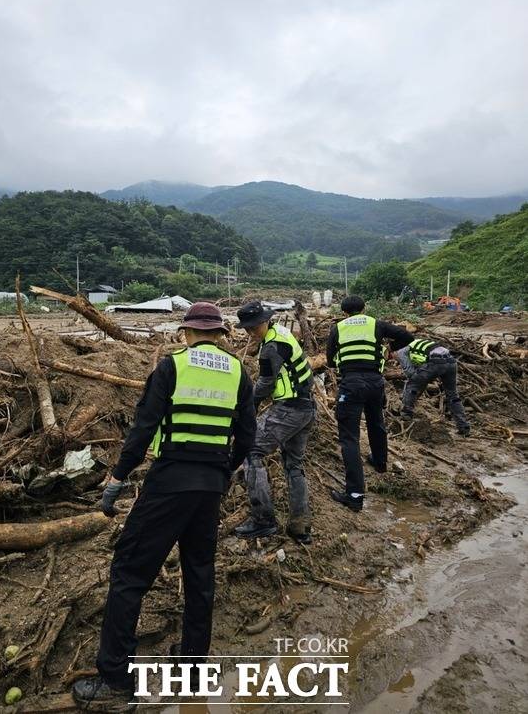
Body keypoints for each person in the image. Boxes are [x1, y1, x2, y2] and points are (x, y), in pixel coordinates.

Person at [73, 303, 256, 707]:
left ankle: (117, 681)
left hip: (170, 483)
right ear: (221, 334)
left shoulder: (173, 367)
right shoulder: (238, 373)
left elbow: (143, 429)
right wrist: (224, 473)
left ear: (187, 332)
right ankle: (193, 671)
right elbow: (246, 436)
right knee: (200, 575)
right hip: (210, 488)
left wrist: (118, 478)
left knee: (128, 572)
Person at [234, 300, 315, 544]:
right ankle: (299, 527)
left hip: (290, 410)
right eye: (247, 329)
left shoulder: (271, 347)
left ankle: (263, 520)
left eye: (253, 327)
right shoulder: (282, 332)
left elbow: (266, 384)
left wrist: (250, 407)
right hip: (306, 407)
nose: (250, 332)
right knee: (294, 465)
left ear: (264, 321)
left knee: (251, 451)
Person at [326, 295, 414, 512]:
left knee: (349, 437)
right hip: (375, 382)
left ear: (344, 312)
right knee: (376, 422)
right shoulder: (376, 324)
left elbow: (329, 360)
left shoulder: (338, 328)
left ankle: (355, 495)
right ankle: (380, 463)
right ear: (364, 309)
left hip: (351, 383)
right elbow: (407, 336)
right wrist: (389, 350)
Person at [394, 338, 471, 436]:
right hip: (451, 361)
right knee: (453, 395)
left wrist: (410, 396)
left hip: (435, 362)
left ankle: (406, 415)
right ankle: (463, 427)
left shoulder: (401, 351)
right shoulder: (416, 345)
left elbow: (411, 374)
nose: (393, 358)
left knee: (412, 384)